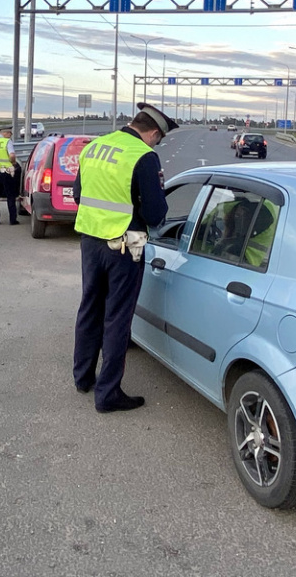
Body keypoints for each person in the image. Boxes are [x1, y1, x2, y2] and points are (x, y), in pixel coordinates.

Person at [72, 102, 177, 413]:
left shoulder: (94, 147)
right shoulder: (143, 156)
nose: (157, 144)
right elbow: (156, 213)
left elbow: (79, 195)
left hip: (91, 240)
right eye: (158, 139)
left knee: (90, 307)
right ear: (154, 133)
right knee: (117, 317)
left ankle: (82, 377)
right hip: (125, 246)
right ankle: (107, 394)